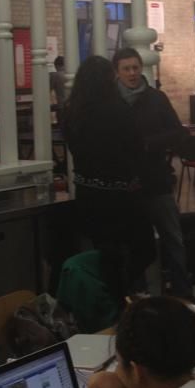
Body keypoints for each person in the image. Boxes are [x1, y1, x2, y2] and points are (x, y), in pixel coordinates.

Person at [62, 56, 155, 302]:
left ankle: (109, 300)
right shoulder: (118, 110)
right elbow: (136, 149)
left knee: (106, 252)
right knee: (144, 248)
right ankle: (120, 295)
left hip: (88, 194)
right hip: (121, 196)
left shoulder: (71, 112)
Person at [113, 47, 193, 300]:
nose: (132, 73)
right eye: (126, 69)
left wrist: (149, 144)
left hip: (156, 179)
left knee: (173, 237)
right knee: (135, 242)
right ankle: (138, 296)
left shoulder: (156, 98)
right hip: (127, 184)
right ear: (117, 72)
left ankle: (182, 292)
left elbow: (177, 131)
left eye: (135, 68)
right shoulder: (112, 102)